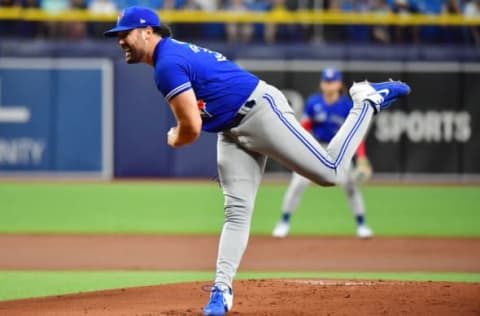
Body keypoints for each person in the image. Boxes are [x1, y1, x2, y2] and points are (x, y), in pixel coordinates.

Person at [104, 6, 410, 316]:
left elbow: (191, 128)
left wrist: (176, 137)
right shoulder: (168, 58)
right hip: (230, 130)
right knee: (236, 212)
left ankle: (366, 100)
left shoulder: (166, 65)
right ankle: (221, 292)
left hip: (260, 111)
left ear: (147, 31)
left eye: (124, 34)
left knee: (330, 172)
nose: (120, 41)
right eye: (117, 36)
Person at [272, 68, 374, 239]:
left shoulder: (347, 105)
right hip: (316, 147)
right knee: (297, 184)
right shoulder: (314, 102)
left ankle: (362, 224)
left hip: (339, 149)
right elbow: (303, 128)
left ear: (339, 84)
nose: (329, 85)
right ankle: (284, 222)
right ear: (322, 83)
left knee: (350, 186)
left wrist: (362, 156)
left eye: (332, 81)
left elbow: (355, 134)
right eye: (326, 82)